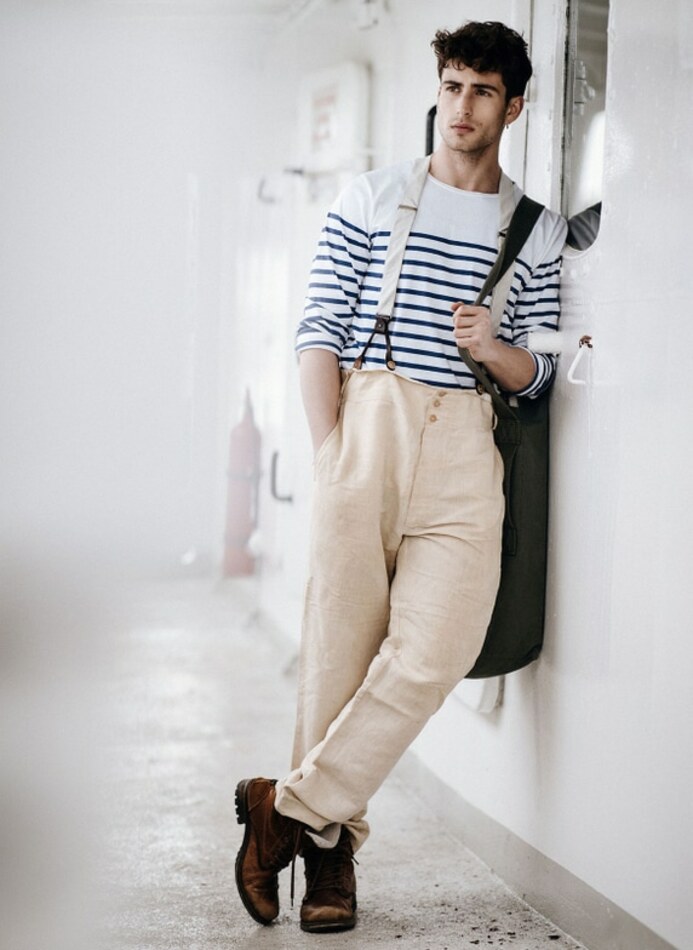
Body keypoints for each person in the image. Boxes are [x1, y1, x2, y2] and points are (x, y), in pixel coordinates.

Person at [234, 20, 567, 934]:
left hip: (465, 441)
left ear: (513, 107)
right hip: (367, 419)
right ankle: (330, 865)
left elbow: (539, 374)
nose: (462, 107)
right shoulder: (373, 196)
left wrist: (492, 348)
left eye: (482, 92)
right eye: (452, 86)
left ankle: (285, 809)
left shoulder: (533, 229)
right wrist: (331, 451)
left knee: (437, 648)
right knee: (338, 653)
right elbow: (317, 329)